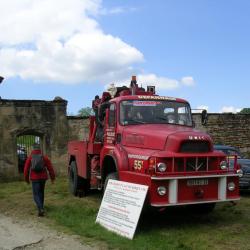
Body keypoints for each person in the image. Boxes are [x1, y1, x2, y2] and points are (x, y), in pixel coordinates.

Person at [24, 143, 55, 217]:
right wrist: (52, 178)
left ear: (33, 149)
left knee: (36, 194)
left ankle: (40, 208)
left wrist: (26, 179)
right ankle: (41, 209)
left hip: (34, 178)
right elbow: (50, 168)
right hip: (43, 178)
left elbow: (26, 170)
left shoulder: (30, 158)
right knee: (41, 193)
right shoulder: (44, 157)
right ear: (40, 149)